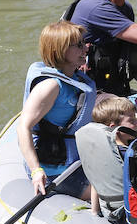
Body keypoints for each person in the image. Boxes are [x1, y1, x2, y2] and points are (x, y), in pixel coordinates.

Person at [18, 21, 97, 199]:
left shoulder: (76, 79)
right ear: (59, 50)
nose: (85, 49)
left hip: (75, 160)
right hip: (54, 168)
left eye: (84, 43)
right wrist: (36, 170)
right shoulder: (51, 86)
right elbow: (23, 127)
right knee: (110, 194)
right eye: (78, 45)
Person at [76, 97, 137, 222]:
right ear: (114, 128)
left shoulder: (104, 153)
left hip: (109, 210)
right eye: (132, 120)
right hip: (129, 214)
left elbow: (96, 182)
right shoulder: (129, 154)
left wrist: (94, 211)